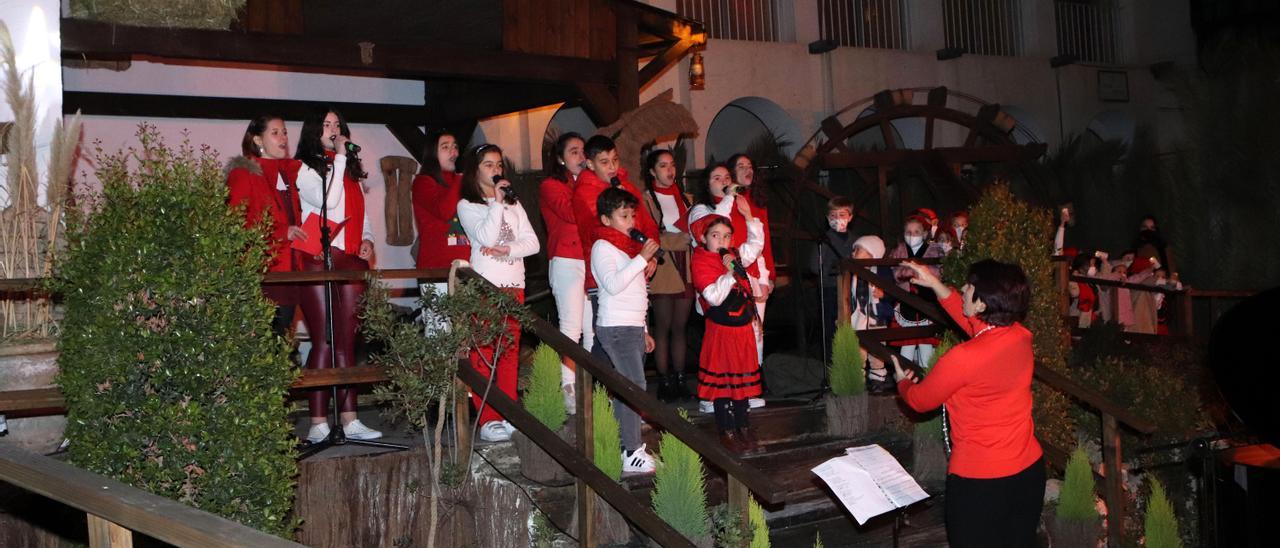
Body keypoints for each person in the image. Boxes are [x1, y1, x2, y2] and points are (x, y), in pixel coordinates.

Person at [892, 259, 1045, 548]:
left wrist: (902, 382)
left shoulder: (962, 358)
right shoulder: (1020, 336)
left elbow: (921, 401)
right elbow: (980, 329)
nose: (962, 289)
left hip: (981, 482)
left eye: (968, 287)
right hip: (1028, 473)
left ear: (982, 304)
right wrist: (937, 286)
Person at [293, 106, 381, 443]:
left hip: (350, 258)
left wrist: (369, 239)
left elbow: (359, 211)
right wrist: (339, 160)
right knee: (325, 338)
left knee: (347, 339)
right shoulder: (304, 169)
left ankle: (350, 418)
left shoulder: (350, 170)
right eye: (326, 124)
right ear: (314, 130)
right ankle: (318, 422)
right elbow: (329, 201)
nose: (332, 129)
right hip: (318, 257)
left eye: (337, 124)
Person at [457, 143, 541, 442]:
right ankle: (487, 417)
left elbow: (533, 244)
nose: (495, 170)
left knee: (509, 352)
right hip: (485, 284)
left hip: (514, 284)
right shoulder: (468, 205)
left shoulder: (514, 203)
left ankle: (508, 412)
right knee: (485, 352)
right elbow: (484, 236)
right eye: (488, 165)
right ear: (475, 170)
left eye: (498, 165)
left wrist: (508, 249)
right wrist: (496, 202)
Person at [590, 188, 661, 473]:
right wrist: (642, 260)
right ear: (606, 220)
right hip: (616, 326)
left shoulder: (626, 249)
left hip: (631, 325)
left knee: (626, 389)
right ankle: (631, 451)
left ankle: (626, 447)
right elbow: (613, 284)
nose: (631, 221)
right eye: (623, 216)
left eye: (633, 215)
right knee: (634, 388)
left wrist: (644, 329)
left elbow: (636, 293)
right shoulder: (602, 247)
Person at [571, 135, 659, 348]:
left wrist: (651, 254)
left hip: (636, 268)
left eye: (615, 160)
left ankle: (632, 381)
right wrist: (641, 256)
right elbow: (605, 232)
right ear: (590, 164)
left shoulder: (626, 187)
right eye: (604, 162)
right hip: (606, 274)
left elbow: (647, 224)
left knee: (637, 340)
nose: (612, 167)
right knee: (608, 343)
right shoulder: (585, 192)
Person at [688, 208, 765, 453]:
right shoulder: (700, 261)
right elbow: (713, 296)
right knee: (723, 381)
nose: (722, 241)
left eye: (726, 236)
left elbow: (754, 246)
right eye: (715, 235)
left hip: (741, 329)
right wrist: (730, 273)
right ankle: (726, 428)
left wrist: (749, 217)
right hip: (721, 330)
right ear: (704, 238)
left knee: (742, 380)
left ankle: (743, 425)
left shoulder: (733, 255)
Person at [226, 114, 304, 337]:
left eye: (285, 132)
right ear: (258, 140)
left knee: (281, 340)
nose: (283, 138)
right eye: (275, 132)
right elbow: (235, 226)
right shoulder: (243, 174)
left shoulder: (287, 174)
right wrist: (282, 232)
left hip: (290, 271)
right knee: (267, 342)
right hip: (263, 273)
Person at [539, 132, 590, 411]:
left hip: (590, 260)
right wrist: (587, 185)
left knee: (593, 327)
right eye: (573, 151)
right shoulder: (551, 185)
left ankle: (591, 384)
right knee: (571, 327)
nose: (581, 156)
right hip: (567, 259)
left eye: (583, 150)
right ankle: (567, 386)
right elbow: (573, 213)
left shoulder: (588, 184)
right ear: (560, 158)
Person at [641, 149, 695, 401]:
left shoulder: (687, 198)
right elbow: (649, 236)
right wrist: (679, 241)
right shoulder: (646, 200)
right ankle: (664, 382)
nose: (669, 170)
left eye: (672, 165)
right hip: (663, 266)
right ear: (652, 171)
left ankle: (681, 380)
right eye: (663, 166)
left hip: (687, 266)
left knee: (680, 327)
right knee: (662, 326)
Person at [727, 154, 774, 409]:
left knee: (757, 332)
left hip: (758, 271)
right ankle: (738, 387)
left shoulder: (758, 202)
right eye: (741, 166)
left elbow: (765, 244)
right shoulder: (728, 204)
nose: (748, 170)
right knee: (739, 333)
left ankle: (754, 382)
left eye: (750, 165)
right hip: (735, 272)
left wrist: (770, 275)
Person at [889, 214, 946, 371]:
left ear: (925, 233)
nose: (912, 236)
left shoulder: (935, 250)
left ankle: (927, 377)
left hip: (927, 303)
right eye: (908, 232)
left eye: (916, 232)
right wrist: (915, 271)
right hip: (906, 302)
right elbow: (894, 272)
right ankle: (904, 377)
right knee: (907, 343)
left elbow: (936, 273)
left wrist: (909, 272)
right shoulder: (899, 250)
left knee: (926, 344)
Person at [410, 130, 468, 272]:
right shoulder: (423, 182)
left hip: (467, 265)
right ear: (433, 153)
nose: (453, 152)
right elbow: (444, 211)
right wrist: (460, 177)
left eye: (455, 147)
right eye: (445, 147)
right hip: (436, 267)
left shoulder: (462, 181)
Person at [809, 196, 858, 358]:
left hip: (852, 290)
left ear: (850, 217)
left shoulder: (856, 240)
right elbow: (814, 267)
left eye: (842, 215)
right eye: (833, 215)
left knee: (853, 325)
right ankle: (832, 363)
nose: (837, 219)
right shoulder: (824, 240)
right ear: (827, 218)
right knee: (831, 329)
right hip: (830, 290)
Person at [848, 235, 896, 392]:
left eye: (858, 250)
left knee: (877, 351)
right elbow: (846, 295)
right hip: (857, 316)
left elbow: (892, 290)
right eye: (853, 250)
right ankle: (856, 380)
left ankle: (877, 379)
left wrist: (884, 294)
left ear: (872, 253)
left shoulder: (881, 271)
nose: (854, 253)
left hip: (877, 317)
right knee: (858, 350)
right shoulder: (851, 272)